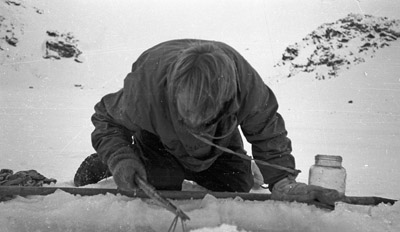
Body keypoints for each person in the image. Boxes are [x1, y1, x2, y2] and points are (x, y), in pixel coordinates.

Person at [74, 39, 341, 207]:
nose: (193, 125)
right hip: (160, 139)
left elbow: (267, 132)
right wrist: (121, 158)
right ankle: (105, 161)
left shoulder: (246, 88)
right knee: (160, 185)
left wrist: (282, 180)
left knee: (236, 186)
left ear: (226, 104)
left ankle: (216, 152)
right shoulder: (145, 89)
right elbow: (106, 119)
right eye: (185, 115)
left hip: (218, 142)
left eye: (203, 120)